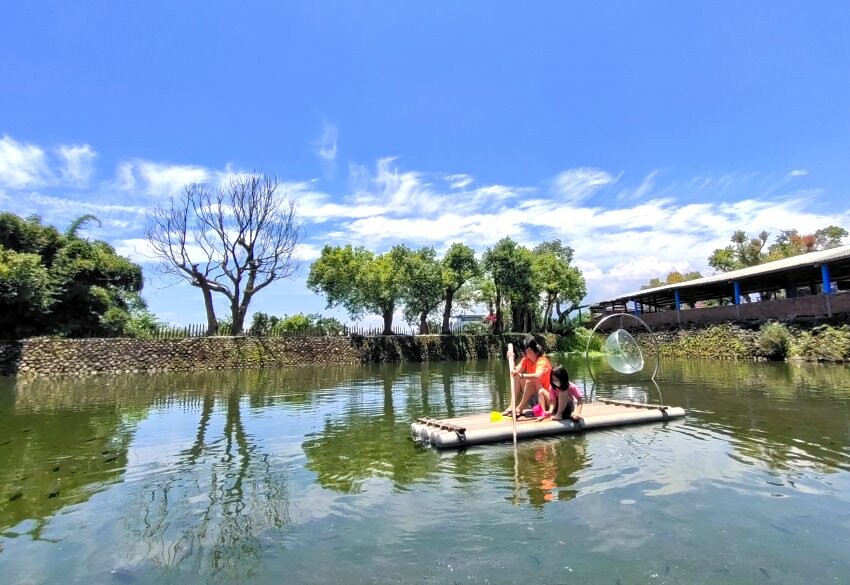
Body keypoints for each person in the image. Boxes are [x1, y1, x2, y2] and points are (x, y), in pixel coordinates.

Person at [502, 336, 551, 418]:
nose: (522, 353)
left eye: (523, 351)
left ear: (529, 350)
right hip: (533, 399)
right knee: (516, 377)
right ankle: (512, 406)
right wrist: (511, 359)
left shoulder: (542, 361)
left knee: (529, 380)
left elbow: (538, 376)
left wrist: (522, 375)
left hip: (544, 400)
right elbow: (514, 372)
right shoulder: (526, 360)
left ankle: (520, 408)